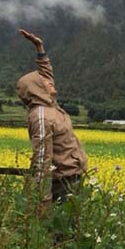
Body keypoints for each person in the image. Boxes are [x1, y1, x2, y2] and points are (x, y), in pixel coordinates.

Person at [16, 29, 88, 213]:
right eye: (43, 81)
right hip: (60, 185)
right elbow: (41, 159)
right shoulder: (41, 116)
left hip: (72, 179)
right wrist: (42, 201)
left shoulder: (50, 105)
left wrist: (39, 48)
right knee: (60, 235)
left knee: (71, 232)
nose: (50, 81)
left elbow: (47, 73)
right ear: (36, 88)